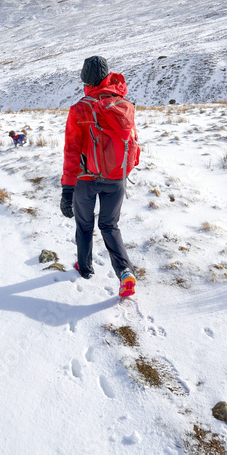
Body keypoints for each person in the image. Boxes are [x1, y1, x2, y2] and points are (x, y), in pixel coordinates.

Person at [60, 55, 137, 298]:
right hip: (116, 178)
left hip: (86, 179)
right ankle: (125, 273)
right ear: (107, 77)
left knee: (84, 225)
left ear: (85, 80)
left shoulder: (79, 109)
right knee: (109, 225)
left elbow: (72, 152)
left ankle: (84, 268)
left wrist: (66, 190)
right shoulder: (123, 104)